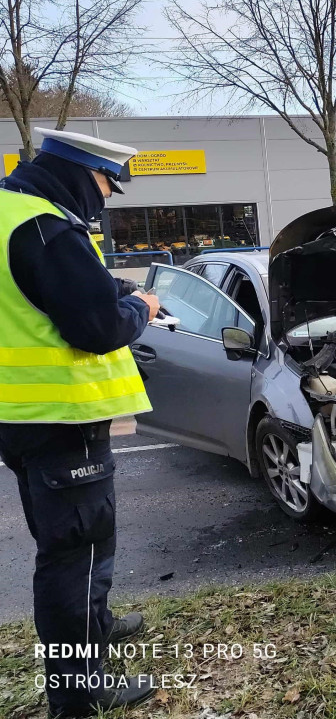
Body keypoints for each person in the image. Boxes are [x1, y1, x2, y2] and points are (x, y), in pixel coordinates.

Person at [0, 129, 160, 718]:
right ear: (80, 173)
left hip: (17, 415)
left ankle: (98, 625)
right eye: (107, 185)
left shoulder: (9, 212)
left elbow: (30, 293)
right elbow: (98, 329)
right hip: (64, 419)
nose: (108, 198)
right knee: (76, 557)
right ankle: (80, 696)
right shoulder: (49, 228)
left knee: (65, 544)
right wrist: (139, 307)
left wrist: (106, 288)